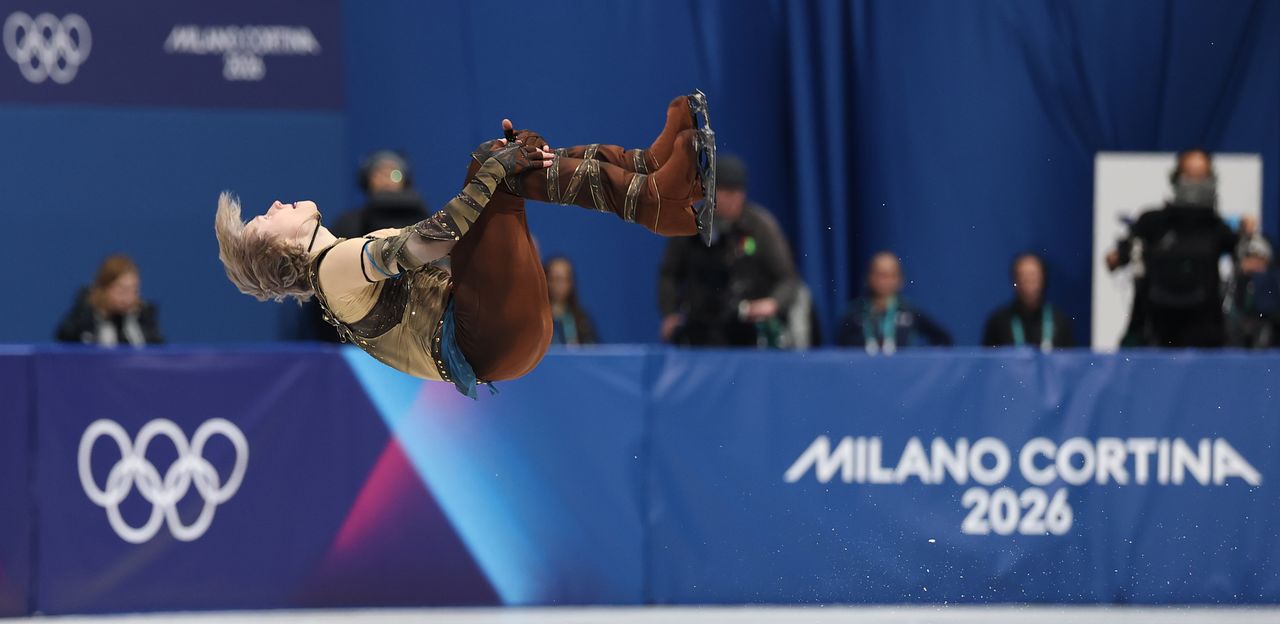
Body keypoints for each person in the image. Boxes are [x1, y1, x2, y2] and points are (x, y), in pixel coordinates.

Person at [215, 93, 714, 397]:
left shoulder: (338, 263)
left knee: (505, 156)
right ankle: (655, 199)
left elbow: (444, 240)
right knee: (491, 167)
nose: (274, 205)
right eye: (265, 219)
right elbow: (427, 245)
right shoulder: (332, 268)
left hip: (498, 340)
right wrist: (491, 175)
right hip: (486, 336)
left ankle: (650, 174)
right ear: (280, 249)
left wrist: (503, 165)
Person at [1106, 148, 1258, 348]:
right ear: (1176, 178)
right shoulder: (1152, 222)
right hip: (1155, 331)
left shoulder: (1215, 227)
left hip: (1206, 333)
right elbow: (1116, 258)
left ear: (1211, 179)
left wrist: (1247, 238)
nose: (1195, 184)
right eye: (1190, 176)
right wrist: (1118, 256)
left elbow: (1248, 259)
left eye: (1201, 177)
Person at [657, 154, 808, 348]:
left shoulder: (760, 227)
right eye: (726, 193)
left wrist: (772, 303)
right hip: (701, 324)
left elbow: (788, 278)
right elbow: (669, 273)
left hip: (747, 325)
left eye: (738, 193)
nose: (734, 200)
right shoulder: (690, 225)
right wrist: (670, 313)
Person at [836, 252, 951, 352]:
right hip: (864, 369)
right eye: (881, 275)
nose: (885, 281)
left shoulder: (910, 311)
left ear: (900, 279)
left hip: (900, 369)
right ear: (869, 277)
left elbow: (943, 339)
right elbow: (840, 351)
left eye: (891, 275)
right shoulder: (854, 313)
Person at [55, 254, 164, 347]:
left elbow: (158, 354)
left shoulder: (144, 318)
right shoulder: (83, 318)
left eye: (134, 290)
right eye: (122, 290)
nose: (128, 297)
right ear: (104, 288)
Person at [981, 253, 1075, 350]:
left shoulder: (1059, 320)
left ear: (1043, 278)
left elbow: (1070, 357)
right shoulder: (999, 322)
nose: (1029, 282)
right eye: (1023, 276)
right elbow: (988, 358)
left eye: (1033, 276)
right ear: (1014, 280)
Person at [331, 150, 432, 240]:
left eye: (395, 175)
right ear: (367, 180)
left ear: (405, 180)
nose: (386, 181)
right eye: (379, 174)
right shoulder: (349, 223)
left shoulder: (423, 222)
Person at [1226, 234, 1280, 347]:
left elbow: (1270, 312)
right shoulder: (1235, 282)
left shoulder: (1271, 282)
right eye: (1249, 258)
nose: (1253, 264)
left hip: (1266, 330)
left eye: (1258, 259)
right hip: (1238, 331)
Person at [544, 255, 598, 345]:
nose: (559, 284)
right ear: (546, 280)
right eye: (555, 279)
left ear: (571, 283)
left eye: (564, 279)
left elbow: (591, 348)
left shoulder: (582, 320)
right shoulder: (539, 320)